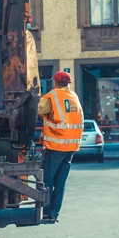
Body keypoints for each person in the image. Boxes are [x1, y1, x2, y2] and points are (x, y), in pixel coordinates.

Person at [38, 71, 84, 223]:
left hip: (56, 145)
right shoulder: (74, 96)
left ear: (55, 82)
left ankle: (44, 211)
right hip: (72, 146)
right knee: (60, 182)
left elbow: (38, 110)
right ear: (68, 83)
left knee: (47, 180)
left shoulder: (52, 96)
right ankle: (53, 213)